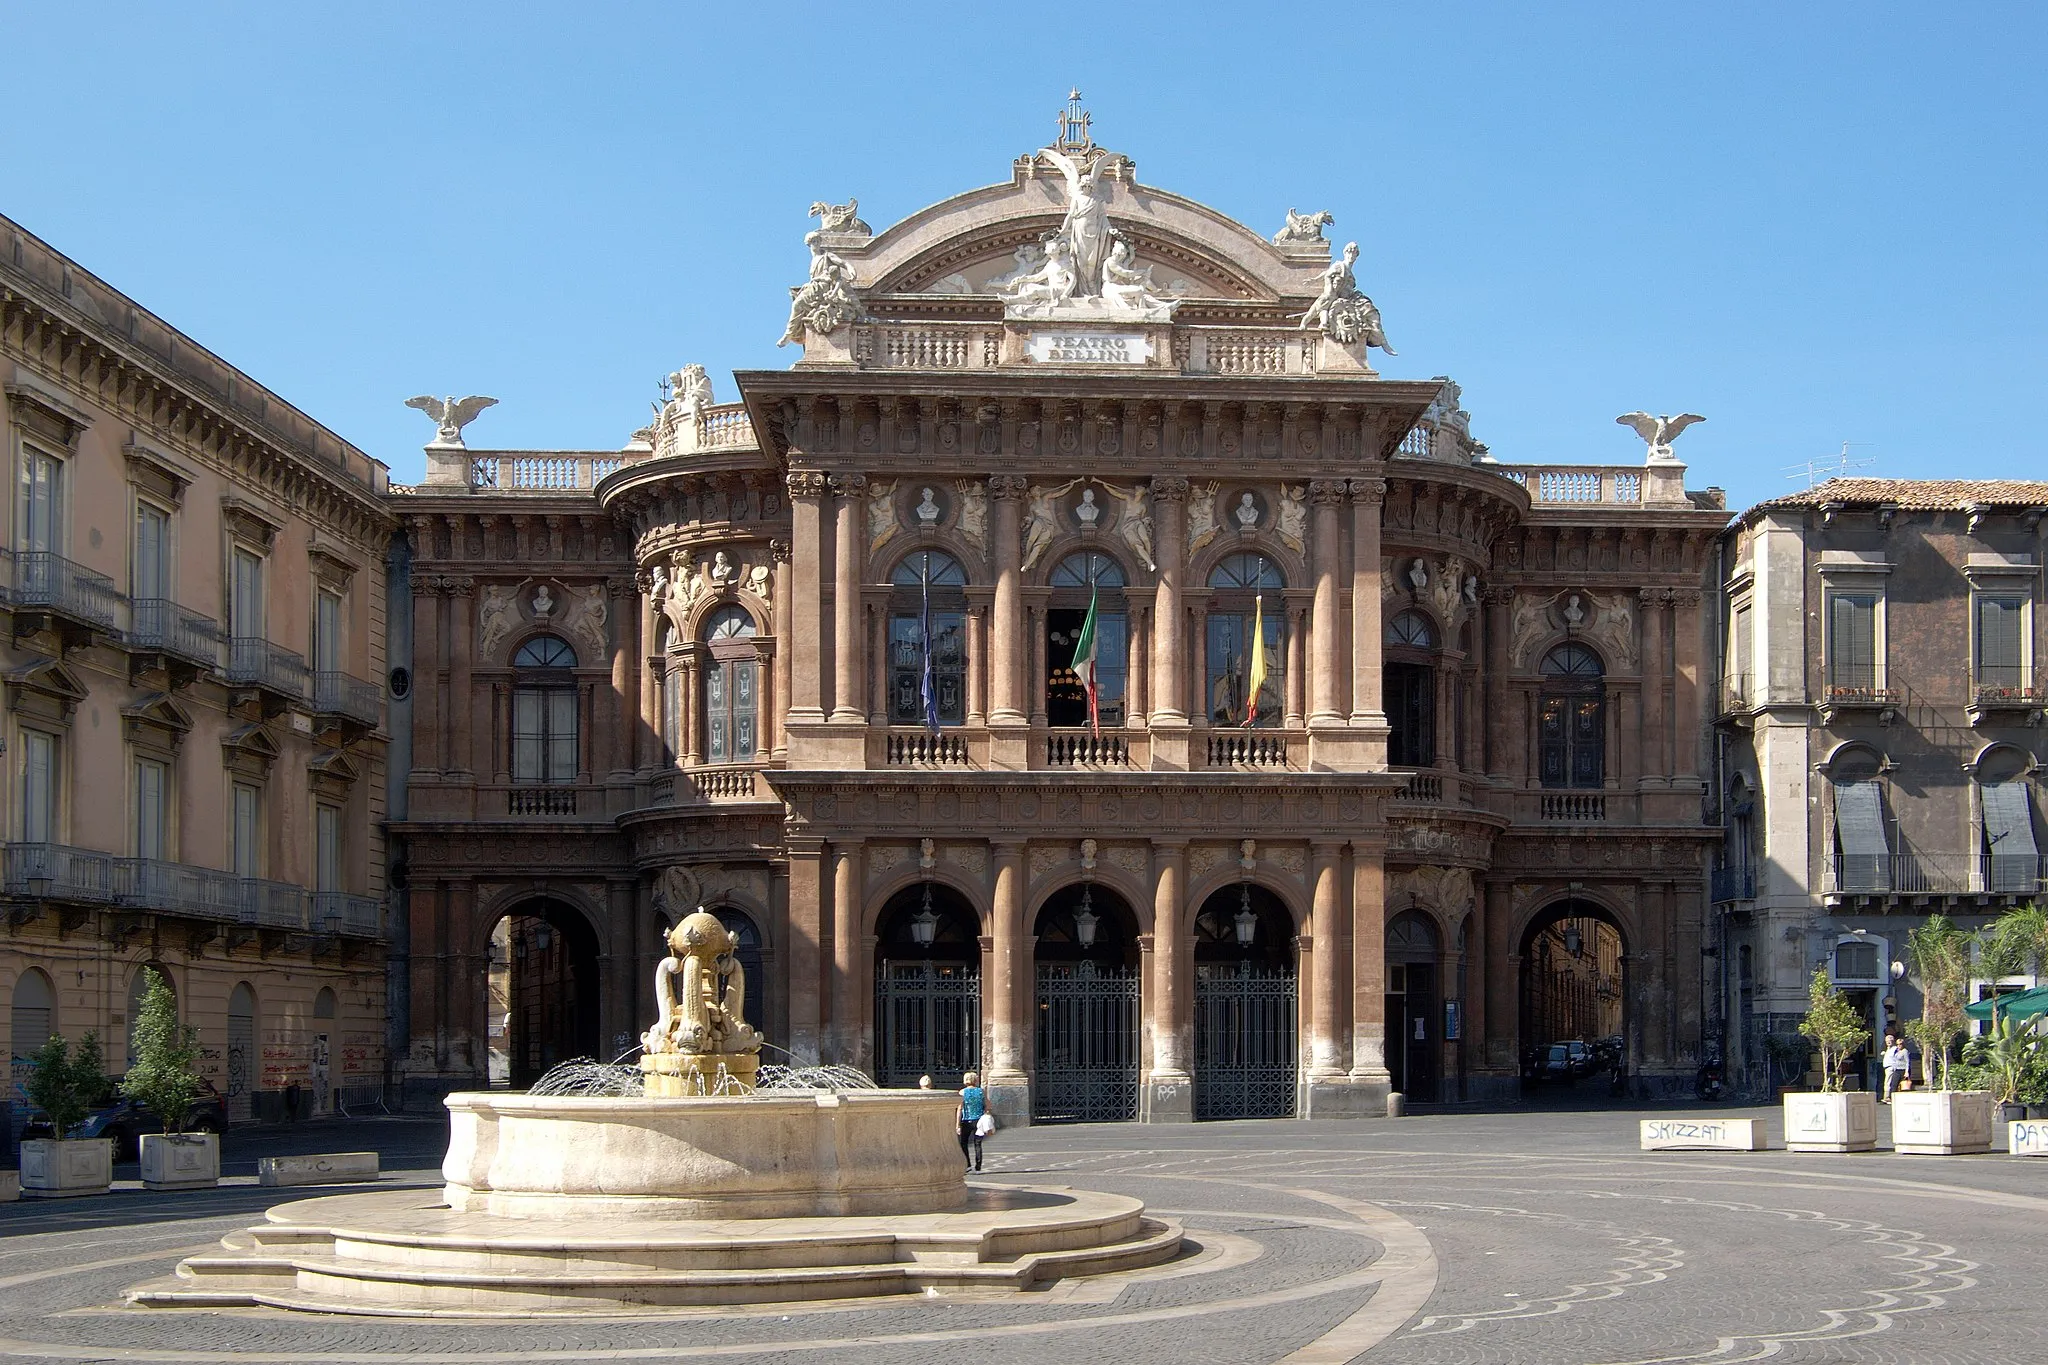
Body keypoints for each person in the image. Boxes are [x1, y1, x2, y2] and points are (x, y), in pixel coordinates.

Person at [957, 1070, 987, 1173]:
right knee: (978, 1144)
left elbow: (960, 1109)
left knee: (963, 1142)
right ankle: (978, 1167)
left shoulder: (962, 1092)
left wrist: (957, 1125)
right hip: (979, 1120)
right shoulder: (980, 1091)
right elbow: (988, 1105)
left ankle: (968, 1165)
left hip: (966, 1120)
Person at [1882, 1034, 1910, 1102]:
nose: (1888, 1042)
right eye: (1887, 1041)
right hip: (1888, 1067)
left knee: (1889, 1083)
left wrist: (1907, 1071)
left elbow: (1906, 1061)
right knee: (1890, 1083)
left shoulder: (1896, 1049)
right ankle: (1889, 1097)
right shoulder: (1889, 1049)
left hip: (1892, 1067)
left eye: (1890, 1041)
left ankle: (1887, 1097)